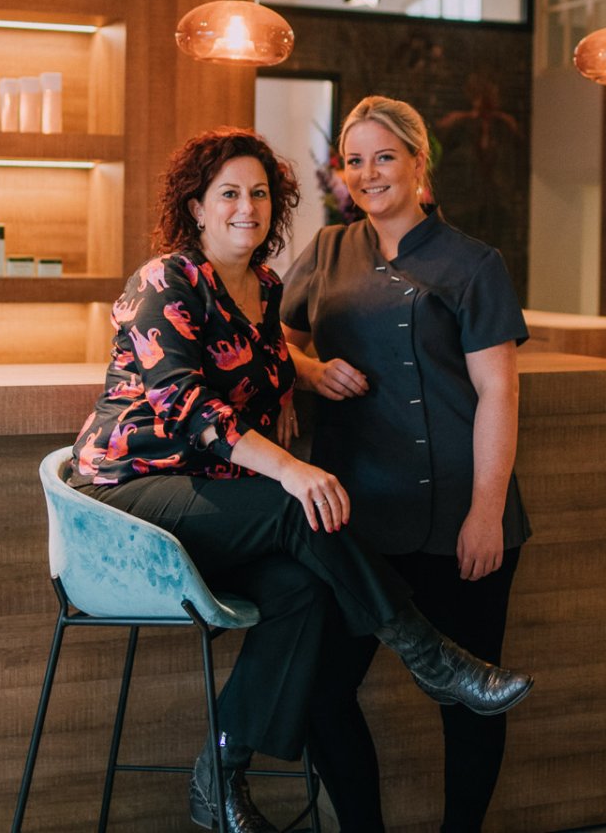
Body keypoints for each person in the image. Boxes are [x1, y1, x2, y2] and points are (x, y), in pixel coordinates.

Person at [68, 127, 533, 833]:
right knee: (296, 507)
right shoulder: (165, 280)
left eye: (258, 193)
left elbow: (272, 360)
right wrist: (289, 469)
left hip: (213, 502)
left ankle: (219, 768)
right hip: (127, 496)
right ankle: (429, 655)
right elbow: (186, 406)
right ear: (196, 207)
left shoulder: (264, 289)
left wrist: (302, 377)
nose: (246, 207)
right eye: (228, 194)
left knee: (305, 590)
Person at [281, 96, 534, 833]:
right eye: (354, 161)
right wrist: (310, 371)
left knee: (468, 698)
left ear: (419, 164)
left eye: (384, 157)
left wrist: (486, 512)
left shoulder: (474, 263)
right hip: (351, 515)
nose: (368, 173)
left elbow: (498, 392)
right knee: (322, 693)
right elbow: (275, 345)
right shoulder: (326, 251)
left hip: (457, 510)